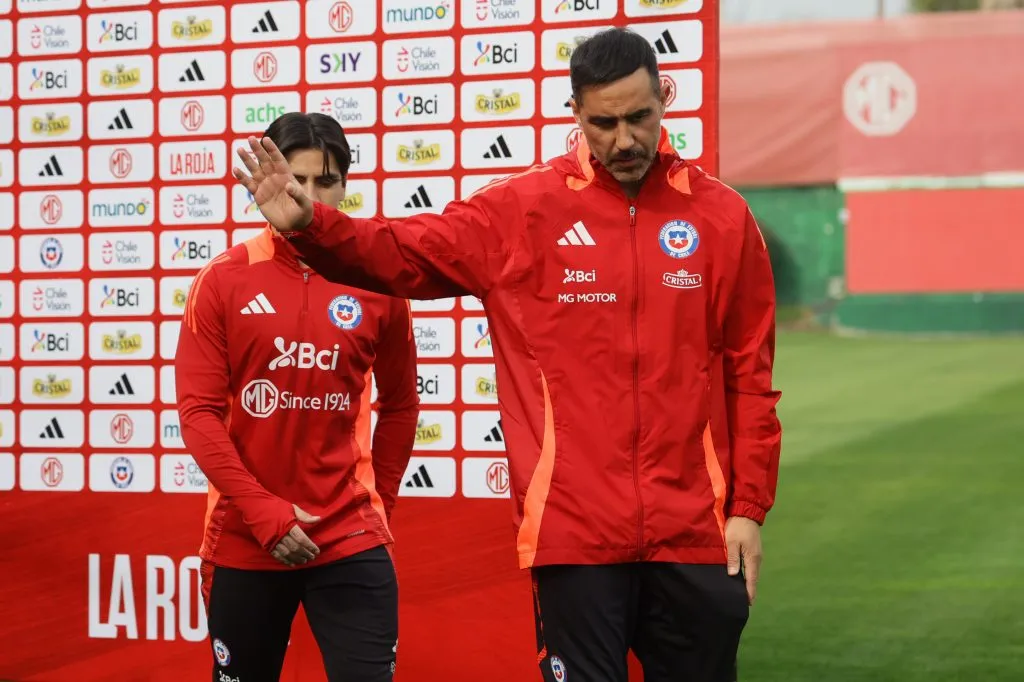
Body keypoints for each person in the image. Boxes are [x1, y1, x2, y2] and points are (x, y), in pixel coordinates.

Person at [233, 28, 782, 682]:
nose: (625, 139)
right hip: (575, 535)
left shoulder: (722, 218)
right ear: (575, 113)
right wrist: (312, 226)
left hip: (696, 535)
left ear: (664, 98)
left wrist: (747, 509)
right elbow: (404, 251)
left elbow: (751, 379)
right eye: (604, 122)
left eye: (639, 116)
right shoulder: (524, 212)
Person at [175, 112, 419, 682]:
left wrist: (376, 502)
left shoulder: (375, 278)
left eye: (325, 182)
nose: (307, 195)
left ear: (346, 185)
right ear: (269, 177)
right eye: (295, 178)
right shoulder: (225, 279)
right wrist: (264, 514)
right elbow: (198, 414)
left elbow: (402, 405)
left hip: (349, 536)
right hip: (246, 536)